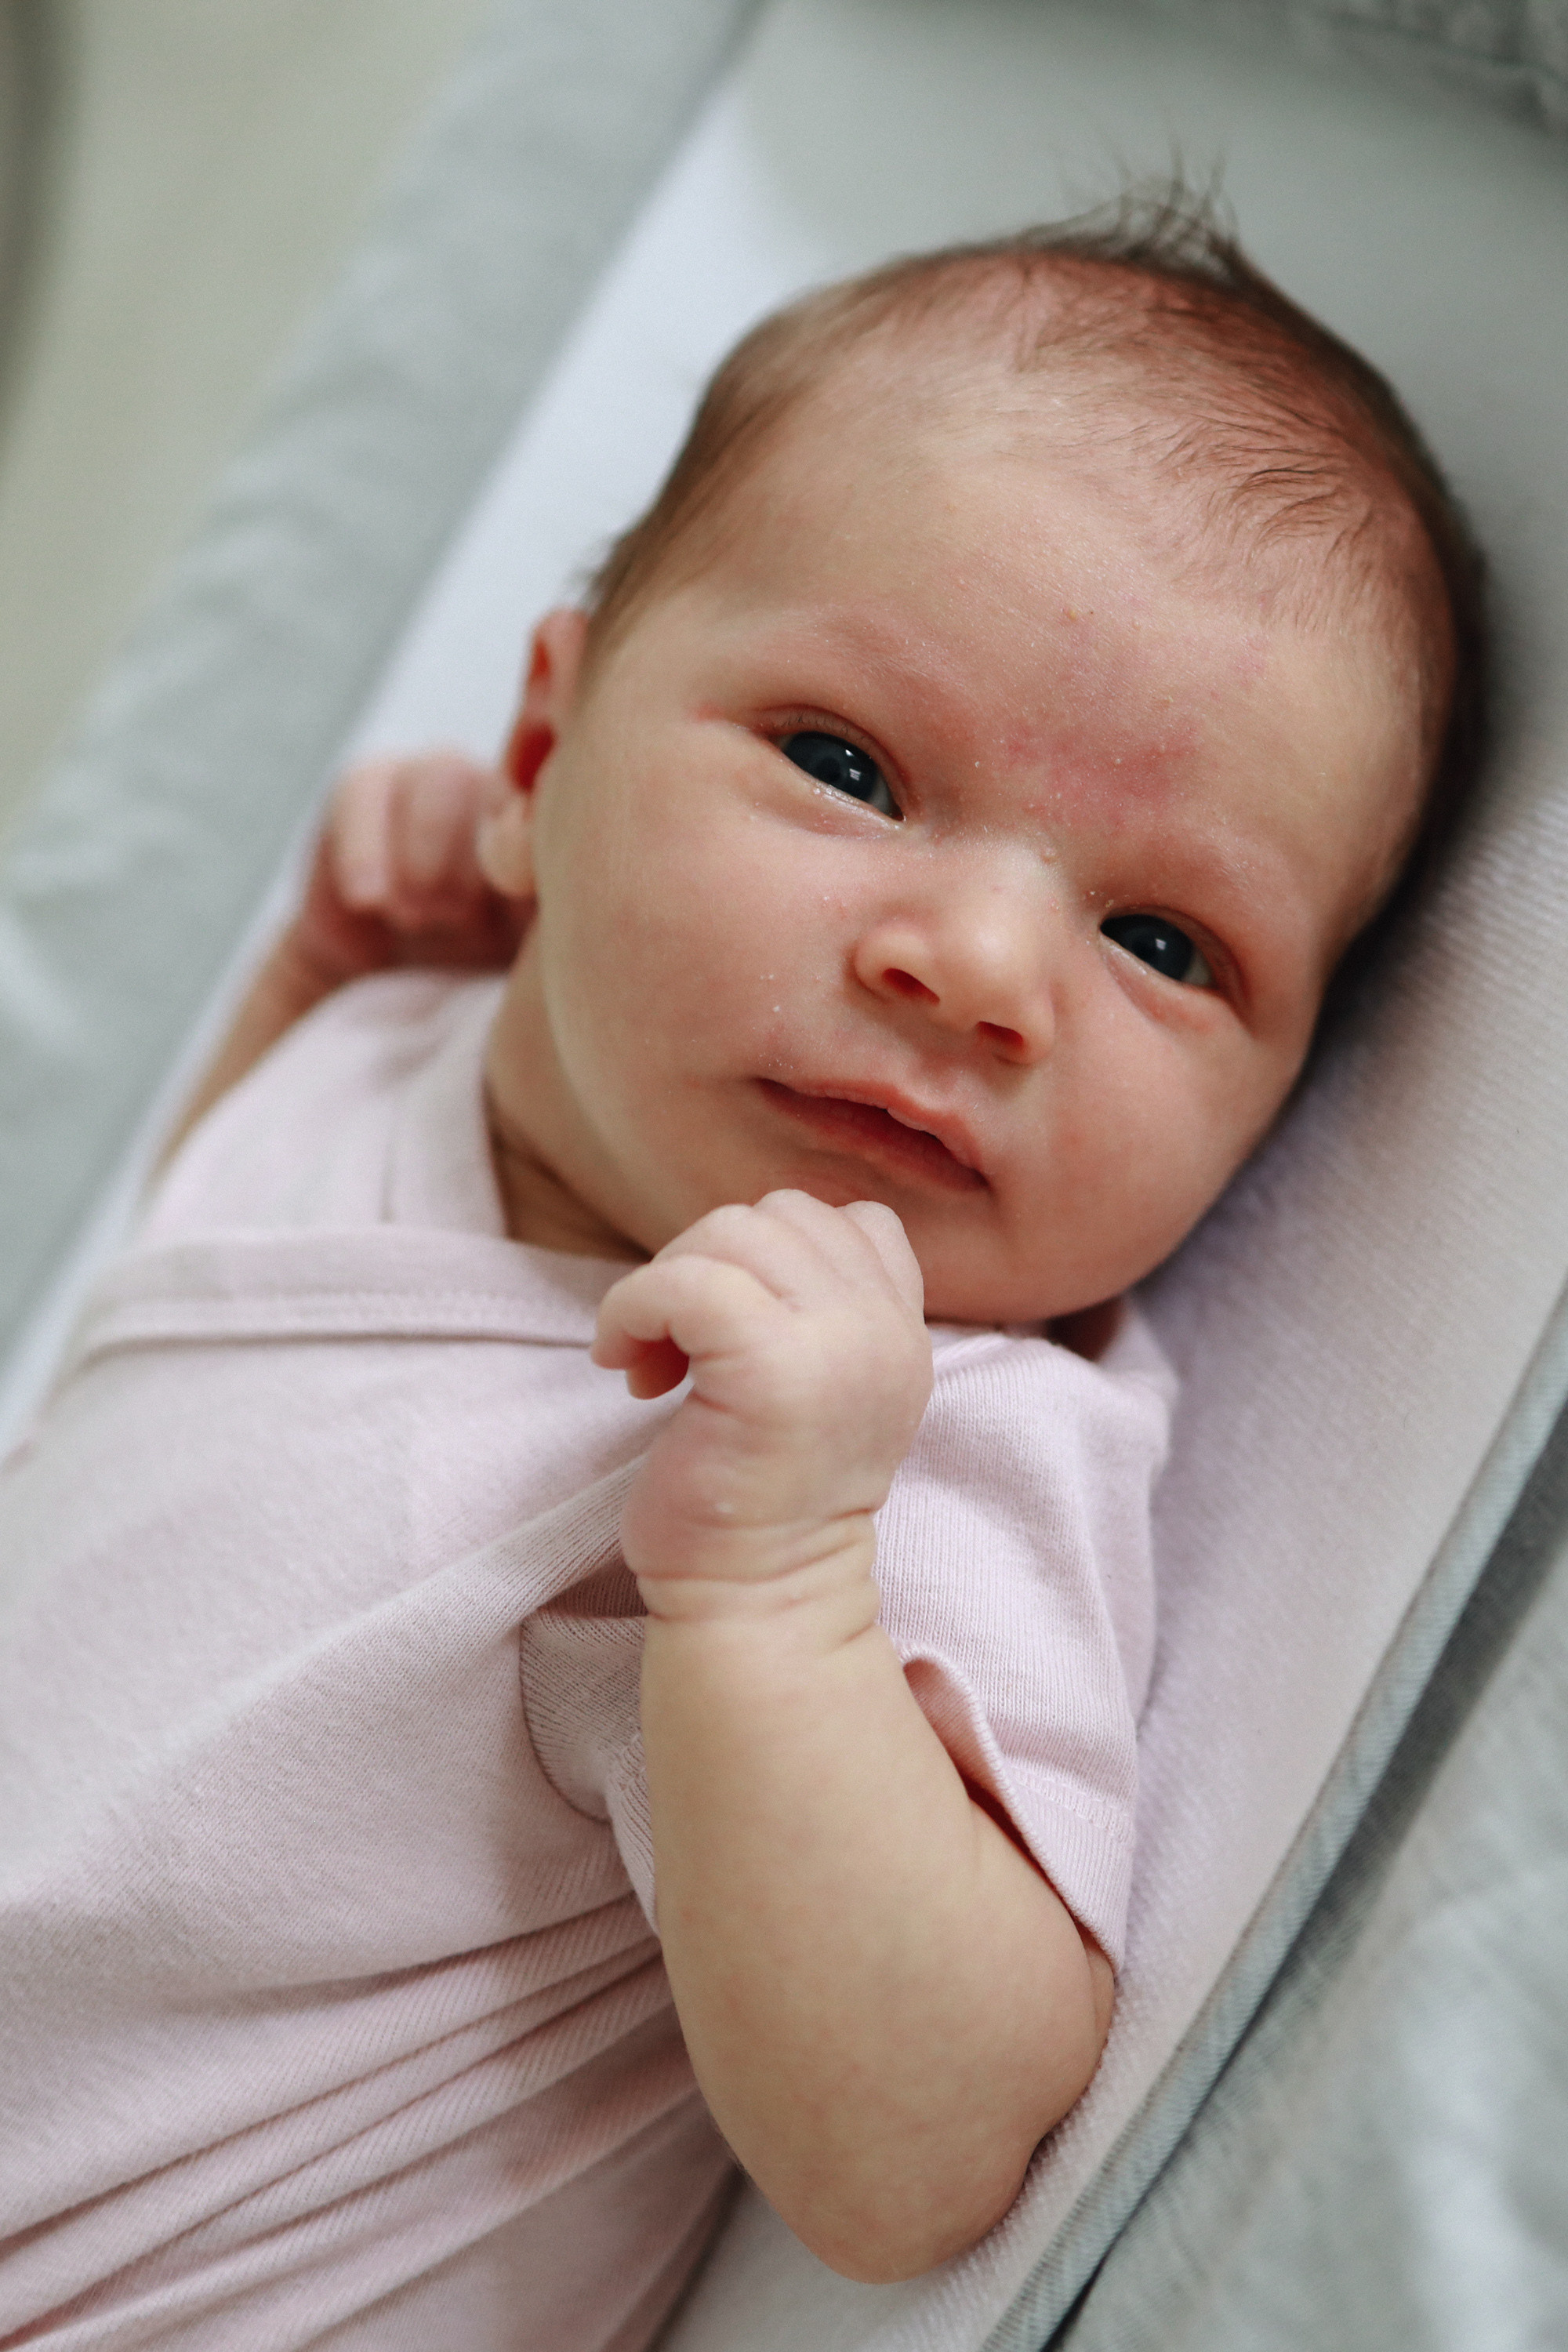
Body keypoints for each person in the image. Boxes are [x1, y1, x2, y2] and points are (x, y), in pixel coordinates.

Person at [0, 200, 1484, 2350]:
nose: (975, 968)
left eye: (1161, 944)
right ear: (542, 762)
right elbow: (211, 1327)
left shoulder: (920, 1442)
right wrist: (318, 990)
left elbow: (919, 2152)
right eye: (850, 768)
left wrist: (773, 1593)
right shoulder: (410, 1064)